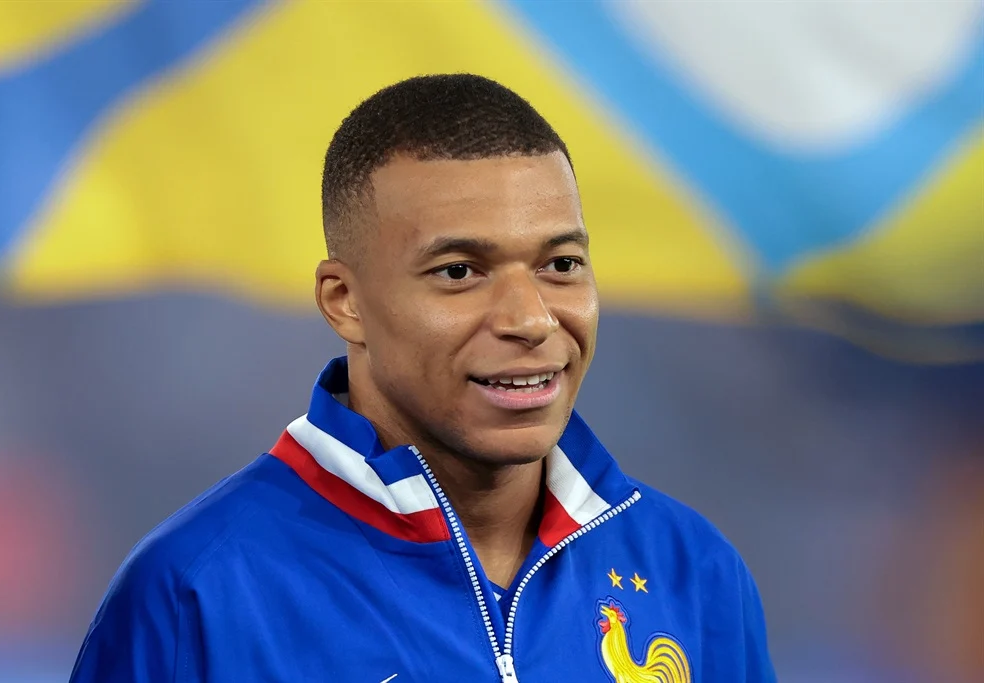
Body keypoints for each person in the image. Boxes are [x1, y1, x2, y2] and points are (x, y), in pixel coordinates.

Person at [70, 74, 776, 683]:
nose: (531, 319)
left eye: (560, 265)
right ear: (345, 302)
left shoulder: (693, 570)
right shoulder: (197, 592)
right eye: (459, 272)